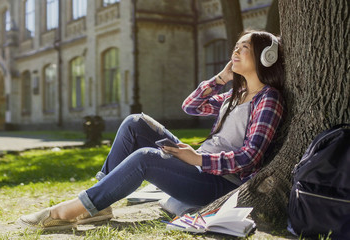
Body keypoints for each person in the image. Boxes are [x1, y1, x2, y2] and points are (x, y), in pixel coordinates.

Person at [17, 30, 285, 231]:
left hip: (221, 184)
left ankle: (70, 211)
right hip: (198, 166)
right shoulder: (233, 95)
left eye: (244, 48)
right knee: (135, 123)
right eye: (235, 47)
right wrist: (221, 79)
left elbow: (250, 157)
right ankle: (99, 201)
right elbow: (191, 106)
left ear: (265, 56)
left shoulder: (268, 99)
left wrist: (197, 159)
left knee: (147, 157)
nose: (234, 52)